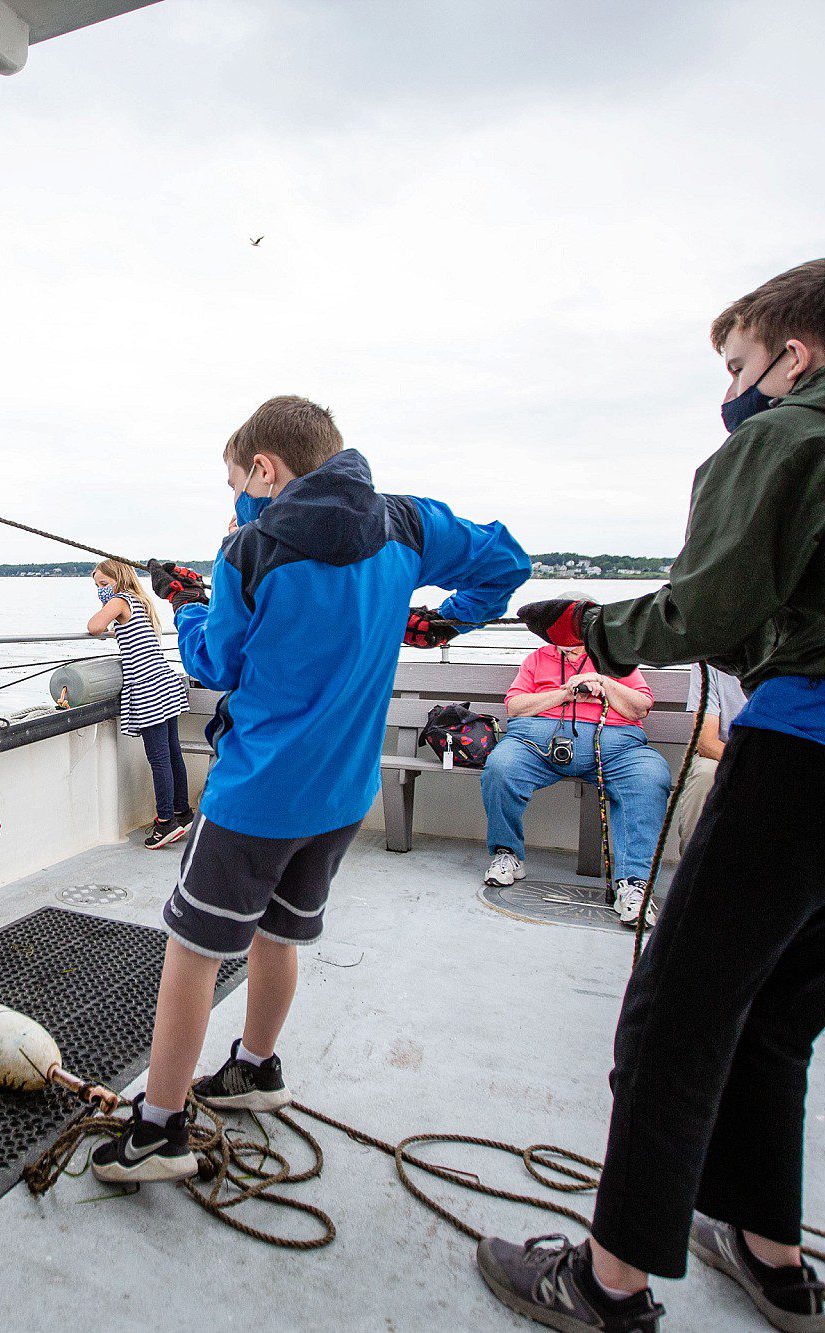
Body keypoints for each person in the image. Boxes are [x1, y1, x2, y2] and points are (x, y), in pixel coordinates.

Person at [481, 257, 825, 1333]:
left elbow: (707, 612)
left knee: (676, 1020)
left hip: (819, 760)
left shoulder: (784, 435)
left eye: (735, 362)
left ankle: (607, 1283)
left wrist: (588, 627)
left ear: (791, 358)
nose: (729, 386)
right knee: (777, 1022)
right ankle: (772, 1257)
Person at [87, 395, 528, 1182]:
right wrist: (440, 623)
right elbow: (507, 565)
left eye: (236, 482)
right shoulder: (407, 524)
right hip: (341, 794)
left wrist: (191, 601)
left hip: (255, 794)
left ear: (266, 468)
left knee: (192, 950)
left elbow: (214, 665)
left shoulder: (248, 550)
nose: (236, 500)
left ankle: (157, 1128)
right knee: (278, 935)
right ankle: (256, 1067)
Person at [480, 641, 672, 925]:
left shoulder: (615, 655)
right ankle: (508, 854)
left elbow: (640, 708)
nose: (569, 644)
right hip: (537, 745)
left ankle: (633, 884)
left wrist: (601, 682)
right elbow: (515, 706)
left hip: (617, 749)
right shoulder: (538, 658)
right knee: (501, 767)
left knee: (650, 777)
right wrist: (564, 694)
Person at [87, 559, 194, 848]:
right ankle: (182, 812)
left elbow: (94, 625)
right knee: (172, 753)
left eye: (103, 584)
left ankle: (165, 823)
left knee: (159, 759)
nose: (100, 591)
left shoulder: (120, 599)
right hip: (165, 681)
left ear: (119, 580)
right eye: (97, 587)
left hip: (148, 687)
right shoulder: (139, 601)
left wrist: (107, 612)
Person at [671, 665, 748, 857]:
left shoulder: (786, 656)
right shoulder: (708, 663)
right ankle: (693, 869)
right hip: (722, 752)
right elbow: (706, 742)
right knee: (706, 774)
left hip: (773, 753)